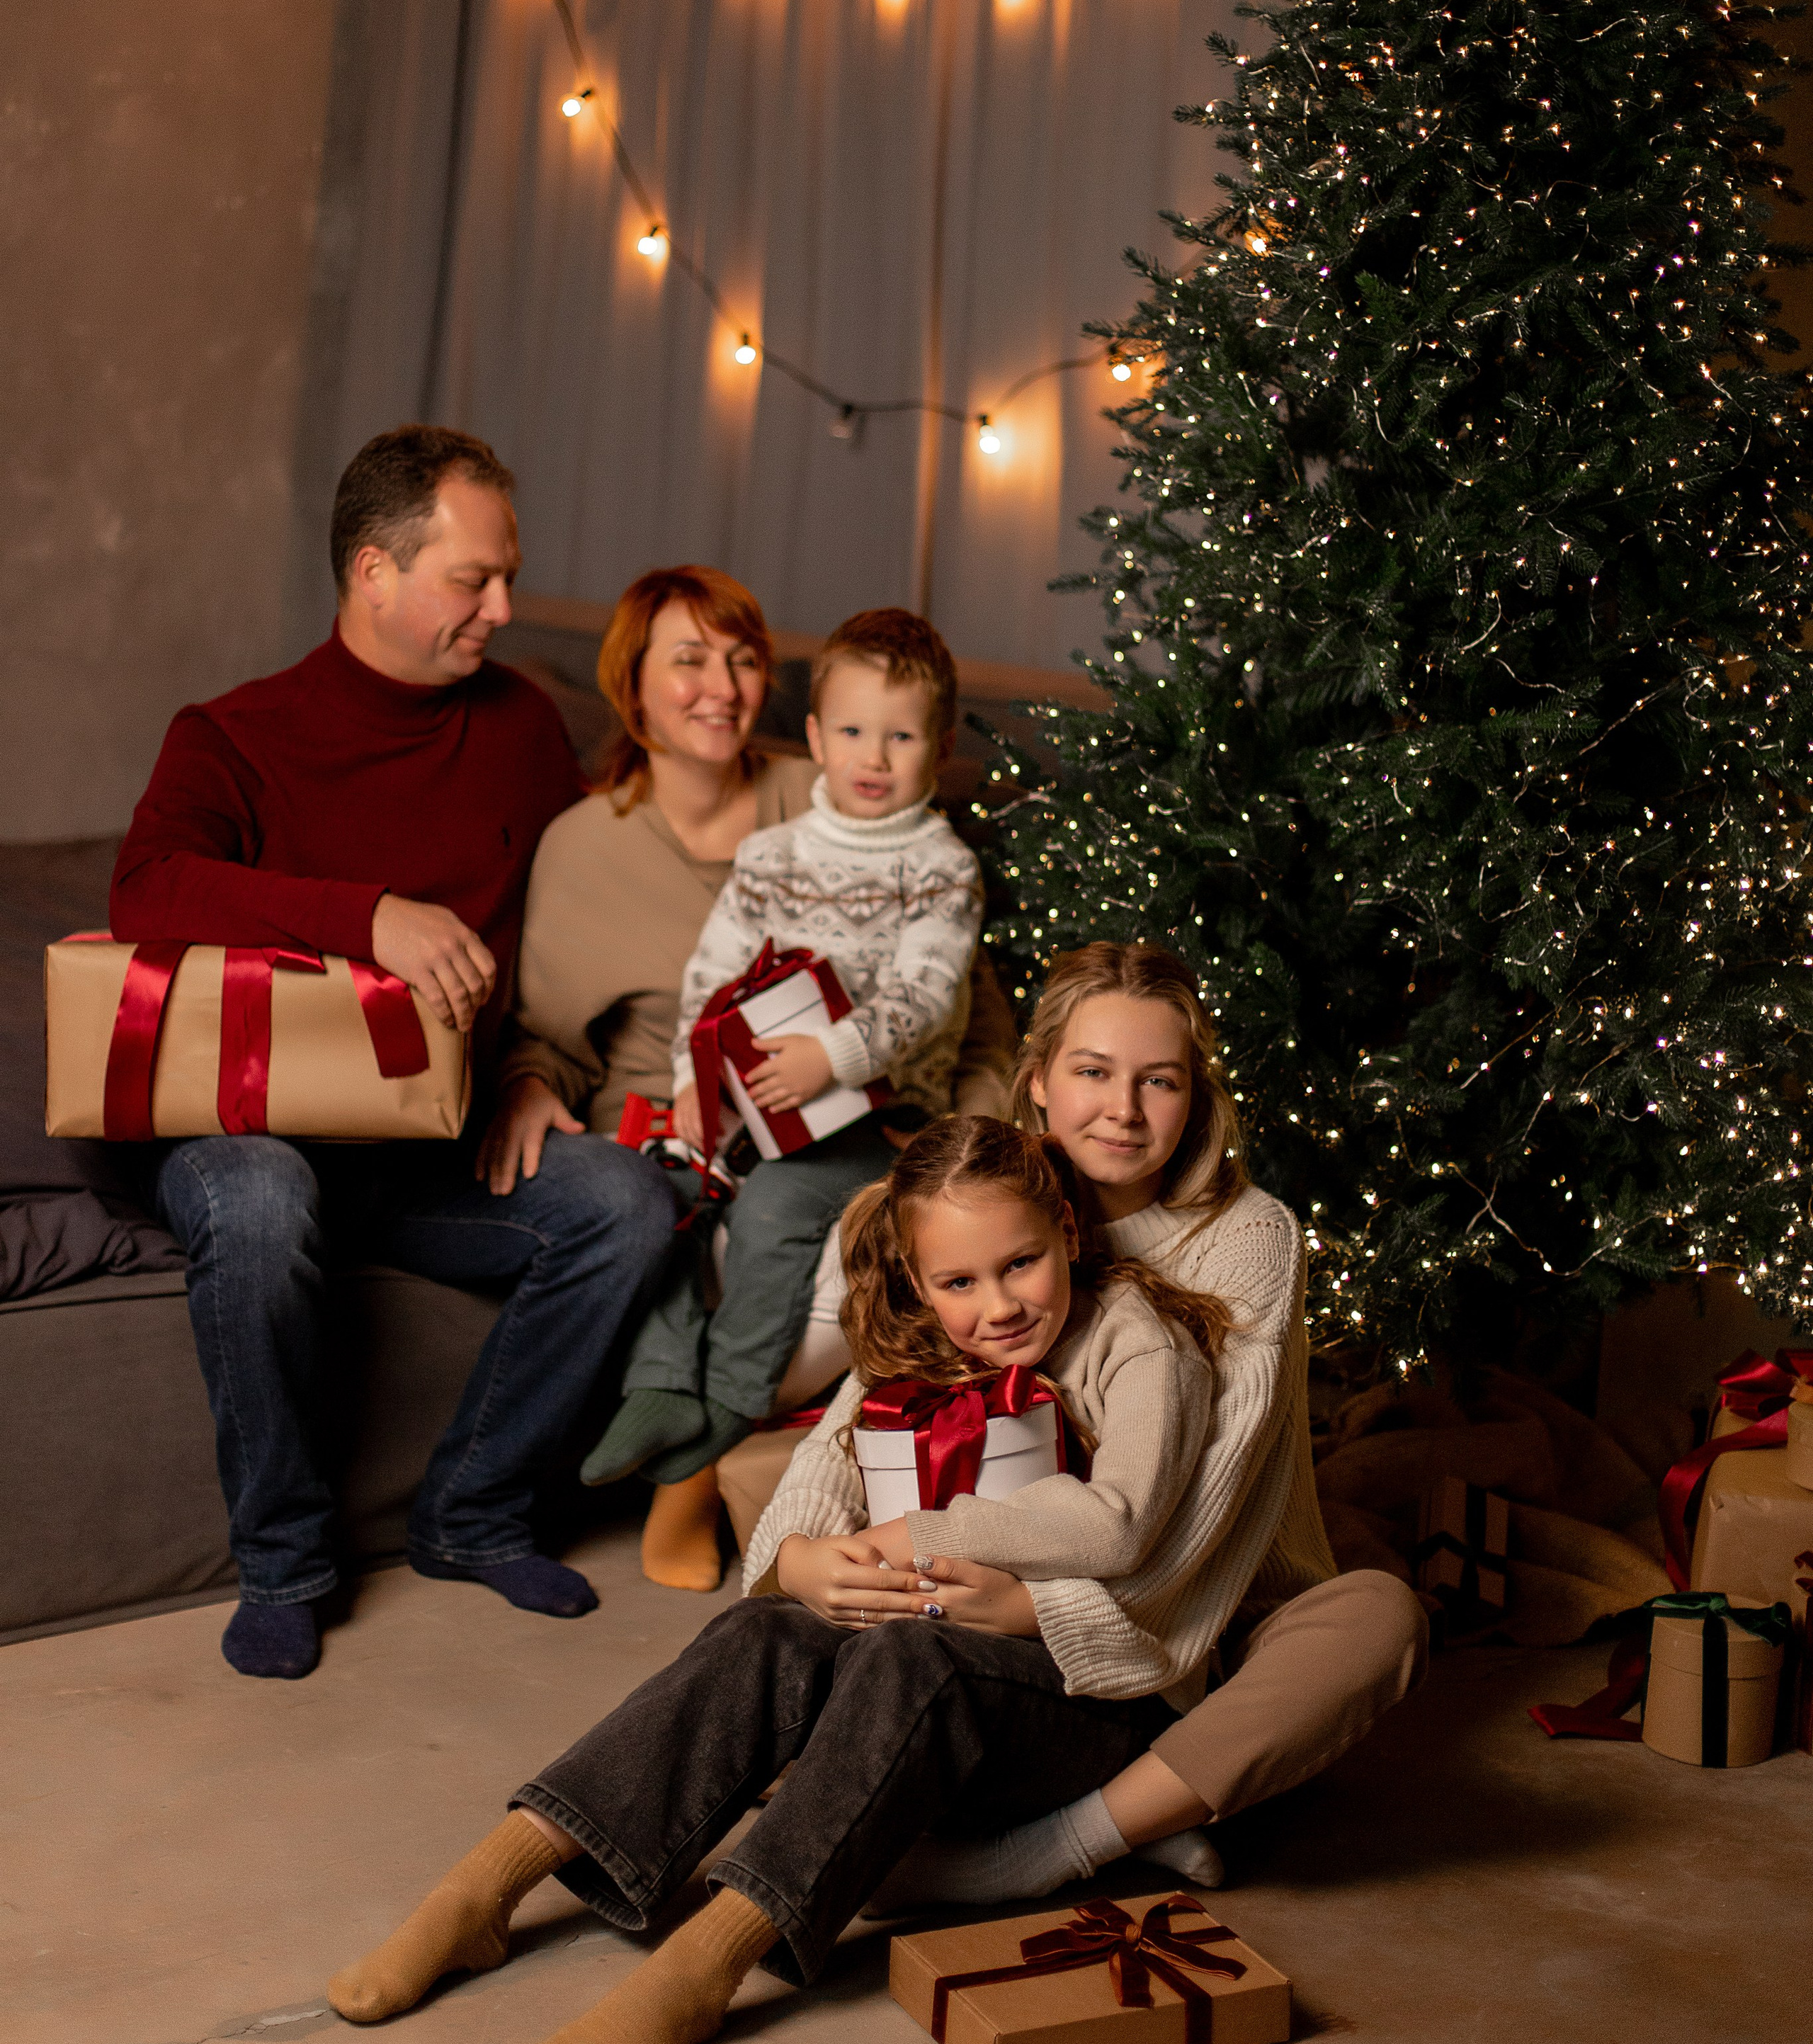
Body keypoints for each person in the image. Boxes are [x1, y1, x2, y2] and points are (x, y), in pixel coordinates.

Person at [326, 1115, 1231, 2044]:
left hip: (1098, 1700)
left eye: (1022, 1264)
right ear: (921, 1281)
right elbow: (811, 1491)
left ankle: (706, 1961)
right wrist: (804, 1564)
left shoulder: (1143, 1344)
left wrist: (924, 1538)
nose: (999, 1306)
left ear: (1065, 1228)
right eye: (959, 1282)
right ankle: (487, 1887)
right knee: (763, 1631)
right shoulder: (926, 1340)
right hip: (930, 1674)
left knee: (907, 1662)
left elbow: (1121, 1527)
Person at [110, 426, 676, 1681]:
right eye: (473, 580)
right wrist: (365, 915)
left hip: (438, 1137)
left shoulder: (523, 727)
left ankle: (471, 1513)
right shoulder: (232, 733)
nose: (507, 607)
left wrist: (542, 1068)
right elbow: (146, 888)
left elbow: (572, 929)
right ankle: (285, 1563)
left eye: (507, 576)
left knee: (629, 1208)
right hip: (251, 1127)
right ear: (373, 571)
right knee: (258, 1202)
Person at [863, 941, 1428, 1905]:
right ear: (1037, 1081)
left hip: (1200, 1599)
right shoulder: (980, 1200)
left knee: (1379, 1618)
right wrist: (791, 1565)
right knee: (822, 1540)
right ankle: (1143, 1811)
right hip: (999, 1560)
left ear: (1196, 1096)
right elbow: (862, 1401)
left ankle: (1054, 1847)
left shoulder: (1252, 1237)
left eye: (1158, 1081)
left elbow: (1201, 1515)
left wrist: (1044, 1615)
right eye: (1092, 1073)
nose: (1122, 1110)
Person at [484, 573, 1013, 1589]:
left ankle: (709, 1438)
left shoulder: (906, 843)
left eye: (740, 660)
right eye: (689, 659)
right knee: (647, 1205)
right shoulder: (719, 848)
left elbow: (944, 996)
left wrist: (949, 1132)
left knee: (792, 1229)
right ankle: (664, 1397)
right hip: (709, 1113)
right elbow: (674, 989)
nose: (720, 686)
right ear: (631, 689)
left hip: (861, 1116)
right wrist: (676, 1079)